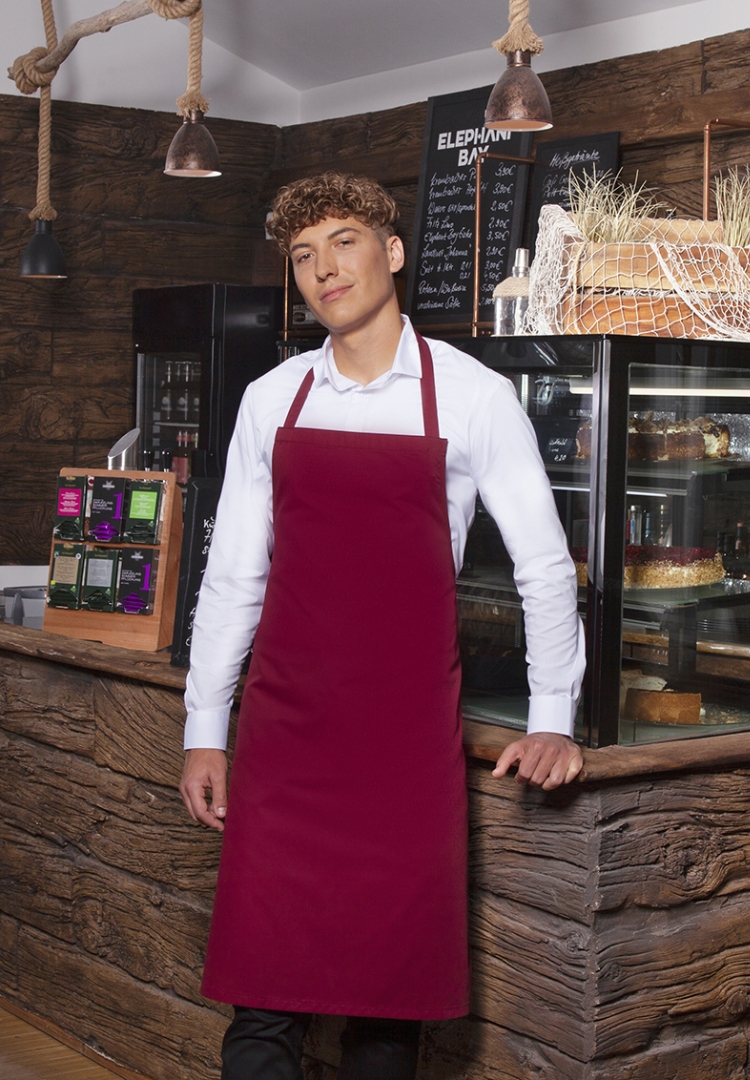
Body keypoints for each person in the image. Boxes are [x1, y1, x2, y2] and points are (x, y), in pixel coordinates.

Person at [179, 171, 586, 1080]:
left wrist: (552, 716)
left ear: (392, 252)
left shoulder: (474, 396)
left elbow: (544, 565)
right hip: (284, 740)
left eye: (343, 242)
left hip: (405, 747)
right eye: (302, 256)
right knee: (262, 1005)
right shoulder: (272, 399)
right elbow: (234, 575)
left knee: (387, 1013)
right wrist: (204, 729)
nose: (323, 269)